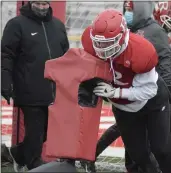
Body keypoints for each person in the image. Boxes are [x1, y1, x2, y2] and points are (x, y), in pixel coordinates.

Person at [81, 1, 171, 172]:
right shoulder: (91, 43)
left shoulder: (141, 51)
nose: (102, 48)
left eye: (109, 42)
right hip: (122, 106)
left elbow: (150, 90)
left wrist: (116, 91)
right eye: (99, 43)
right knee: (138, 155)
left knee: (162, 150)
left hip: (151, 102)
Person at [1, 0, 69, 171]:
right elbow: (6, 55)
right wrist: (4, 81)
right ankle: (34, 165)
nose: (41, 7)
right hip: (28, 89)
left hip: (54, 91)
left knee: (46, 133)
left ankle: (17, 154)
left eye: (44, 4)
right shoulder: (16, 24)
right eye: (37, 3)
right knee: (35, 132)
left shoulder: (58, 26)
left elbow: (67, 56)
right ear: (31, 2)